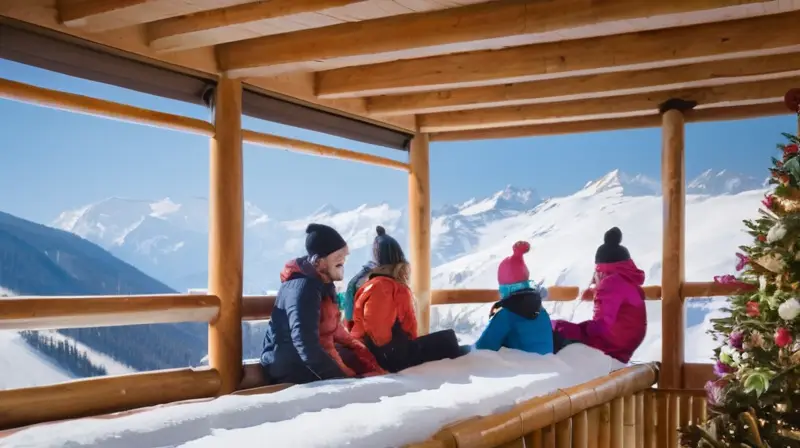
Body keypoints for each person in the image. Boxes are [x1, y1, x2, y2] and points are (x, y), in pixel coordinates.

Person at [260, 223, 386, 384]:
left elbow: (332, 327)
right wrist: (342, 381)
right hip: (288, 366)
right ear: (319, 261)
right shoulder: (304, 288)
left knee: (365, 360)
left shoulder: (323, 284)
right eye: (337, 255)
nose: (343, 258)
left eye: (344, 254)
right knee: (360, 379)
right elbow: (305, 344)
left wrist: (359, 349)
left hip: (304, 359)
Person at [350, 226, 463, 372]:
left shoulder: (372, 284)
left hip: (381, 351)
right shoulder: (383, 287)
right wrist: (394, 350)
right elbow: (378, 332)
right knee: (448, 341)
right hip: (387, 356)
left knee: (445, 340)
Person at [551, 227, 647, 364]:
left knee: (558, 330)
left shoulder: (609, 283)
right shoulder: (627, 279)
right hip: (626, 344)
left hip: (612, 345)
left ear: (601, 267)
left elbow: (601, 326)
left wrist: (577, 329)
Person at [473, 241, 554, 355]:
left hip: (523, 370)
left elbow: (483, 347)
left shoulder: (506, 314)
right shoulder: (541, 310)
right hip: (549, 366)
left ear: (505, 287)